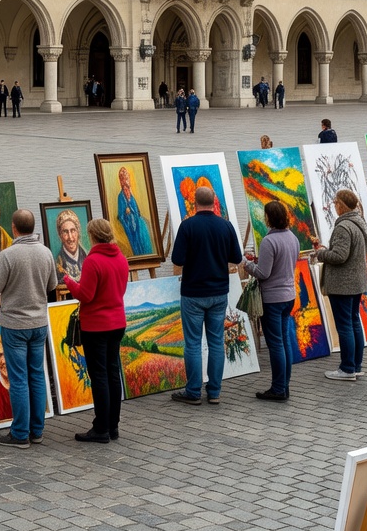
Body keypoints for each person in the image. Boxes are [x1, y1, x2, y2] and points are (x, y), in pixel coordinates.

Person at [0, 209, 55, 448]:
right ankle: (37, 431)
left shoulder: (8, 255)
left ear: (14, 228)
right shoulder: (45, 252)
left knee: (18, 379)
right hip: (39, 324)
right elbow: (52, 285)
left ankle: (19, 434)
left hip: (15, 326)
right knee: (37, 375)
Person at [170, 187, 242, 405]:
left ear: (194, 202)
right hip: (219, 292)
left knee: (192, 343)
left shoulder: (188, 226)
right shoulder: (226, 225)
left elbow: (177, 259)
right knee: (216, 342)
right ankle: (214, 391)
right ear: (214, 202)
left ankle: (193, 391)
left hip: (193, 293)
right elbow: (236, 257)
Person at [62, 218, 128, 442]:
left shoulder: (93, 260)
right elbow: (120, 289)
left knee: (99, 376)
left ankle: (101, 428)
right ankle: (113, 426)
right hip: (117, 323)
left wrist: (70, 282)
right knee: (112, 374)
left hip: (97, 326)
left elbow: (86, 295)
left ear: (93, 236)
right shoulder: (120, 257)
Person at [240, 201, 299, 401]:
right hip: (289, 295)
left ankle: (278, 389)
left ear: (269, 217)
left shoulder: (269, 241)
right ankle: (285, 385)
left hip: (272, 298)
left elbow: (263, 273)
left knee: (275, 344)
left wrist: (246, 264)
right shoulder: (292, 237)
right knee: (284, 341)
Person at [311, 189, 367, 381]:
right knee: (353, 322)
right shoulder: (360, 222)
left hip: (344, 284)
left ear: (341, 206)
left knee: (345, 325)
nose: (333, 205)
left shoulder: (343, 227)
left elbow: (339, 256)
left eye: (335, 202)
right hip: (356, 280)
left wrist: (320, 253)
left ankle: (347, 368)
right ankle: (356, 365)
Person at [115, 166, 154, 256]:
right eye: (125, 179)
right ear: (122, 181)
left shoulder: (131, 194)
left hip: (137, 221)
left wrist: (136, 215)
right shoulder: (121, 197)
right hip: (129, 224)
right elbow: (120, 215)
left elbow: (137, 210)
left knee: (144, 225)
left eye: (128, 178)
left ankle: (147, 255)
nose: (127, 181)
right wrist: (126, 212)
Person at [53, 208, 86, 282]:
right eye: (65, 232)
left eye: (73, 230)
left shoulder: (87, 258)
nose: (70, 238)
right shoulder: (57, 264)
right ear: (60, 235)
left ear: (78, 232)